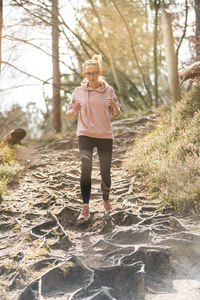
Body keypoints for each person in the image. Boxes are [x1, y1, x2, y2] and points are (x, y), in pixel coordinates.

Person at [67, 54, 120, 221]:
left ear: (99, 72)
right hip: (85, 134)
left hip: (104, 134)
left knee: (105, 170)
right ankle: (85, 207)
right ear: (84, 74)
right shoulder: (78, 91)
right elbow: (68, 115)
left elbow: (117, 114)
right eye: (88, 73)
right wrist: (74, 110)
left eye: (94, 73)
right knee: (86, 165)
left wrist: (113, 107)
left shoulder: (109, 90)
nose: (91, 76)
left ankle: (106, 203)